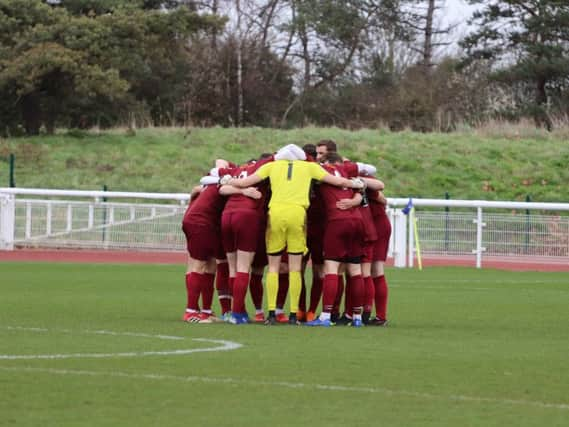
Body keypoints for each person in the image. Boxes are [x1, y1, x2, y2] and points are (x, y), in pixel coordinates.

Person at [220, 145, 365, 325]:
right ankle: (294, 314)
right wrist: (356, 184)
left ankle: (271, 313)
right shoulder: (309, 167)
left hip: (276, 214)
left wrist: (227, 180)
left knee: (273, 267)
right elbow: (338, 182)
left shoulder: (271, 166)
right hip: (297, 214)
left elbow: (243, 183)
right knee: (295, 268)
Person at [305, 152, 367, 327]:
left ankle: (325, 316)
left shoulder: (319, 169)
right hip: (357, 221)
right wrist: (354, 199)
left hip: (338, 221)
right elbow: (362, 186)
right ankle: (357, 318)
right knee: (355, 270)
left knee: (331, 268)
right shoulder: (346, 169)